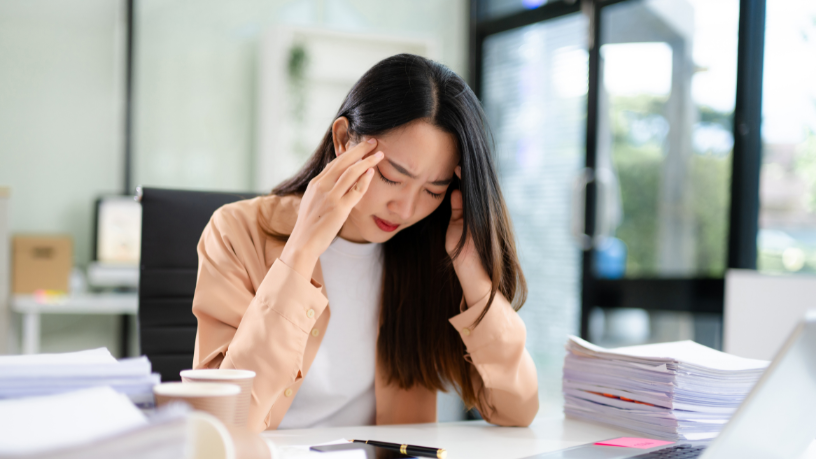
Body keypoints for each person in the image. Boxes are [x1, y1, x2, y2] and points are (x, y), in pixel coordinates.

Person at [192, 54, 539, 433]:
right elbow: (222, 423)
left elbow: (515, 410)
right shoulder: (237, 231)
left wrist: (472, 270)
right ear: (343, 140)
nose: (405, 209)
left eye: (433, 190)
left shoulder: (431, 251)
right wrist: (301, 251)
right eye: (392, 177)